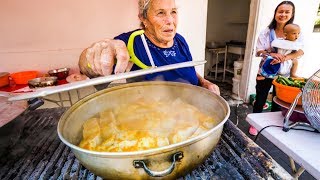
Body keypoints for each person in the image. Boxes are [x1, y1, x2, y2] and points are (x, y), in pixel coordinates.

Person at [78, 0, 220, 95]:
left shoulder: (180, 40)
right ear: (143, 19)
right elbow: (87, 65)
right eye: (160, 13)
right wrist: (92, 56)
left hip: (192, 111)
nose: (170, 20)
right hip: (153, 121)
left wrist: (205, 82)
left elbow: (189, 70)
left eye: (173, 12)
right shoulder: (130, 43)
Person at [249, 1, 304, 136]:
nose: (283, 14)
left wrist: (284, 58)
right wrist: (271, 54)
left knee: (278, 100)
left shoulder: (295, 32)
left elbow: (300, 52)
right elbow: (258, 52)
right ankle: (254, 123)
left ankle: (272, 125)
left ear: (292, 14)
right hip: (266, 70)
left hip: (284, 73)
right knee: (261, 98)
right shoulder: (266, 32)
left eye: (287, 12)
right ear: (275, 13)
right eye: (280, 11)